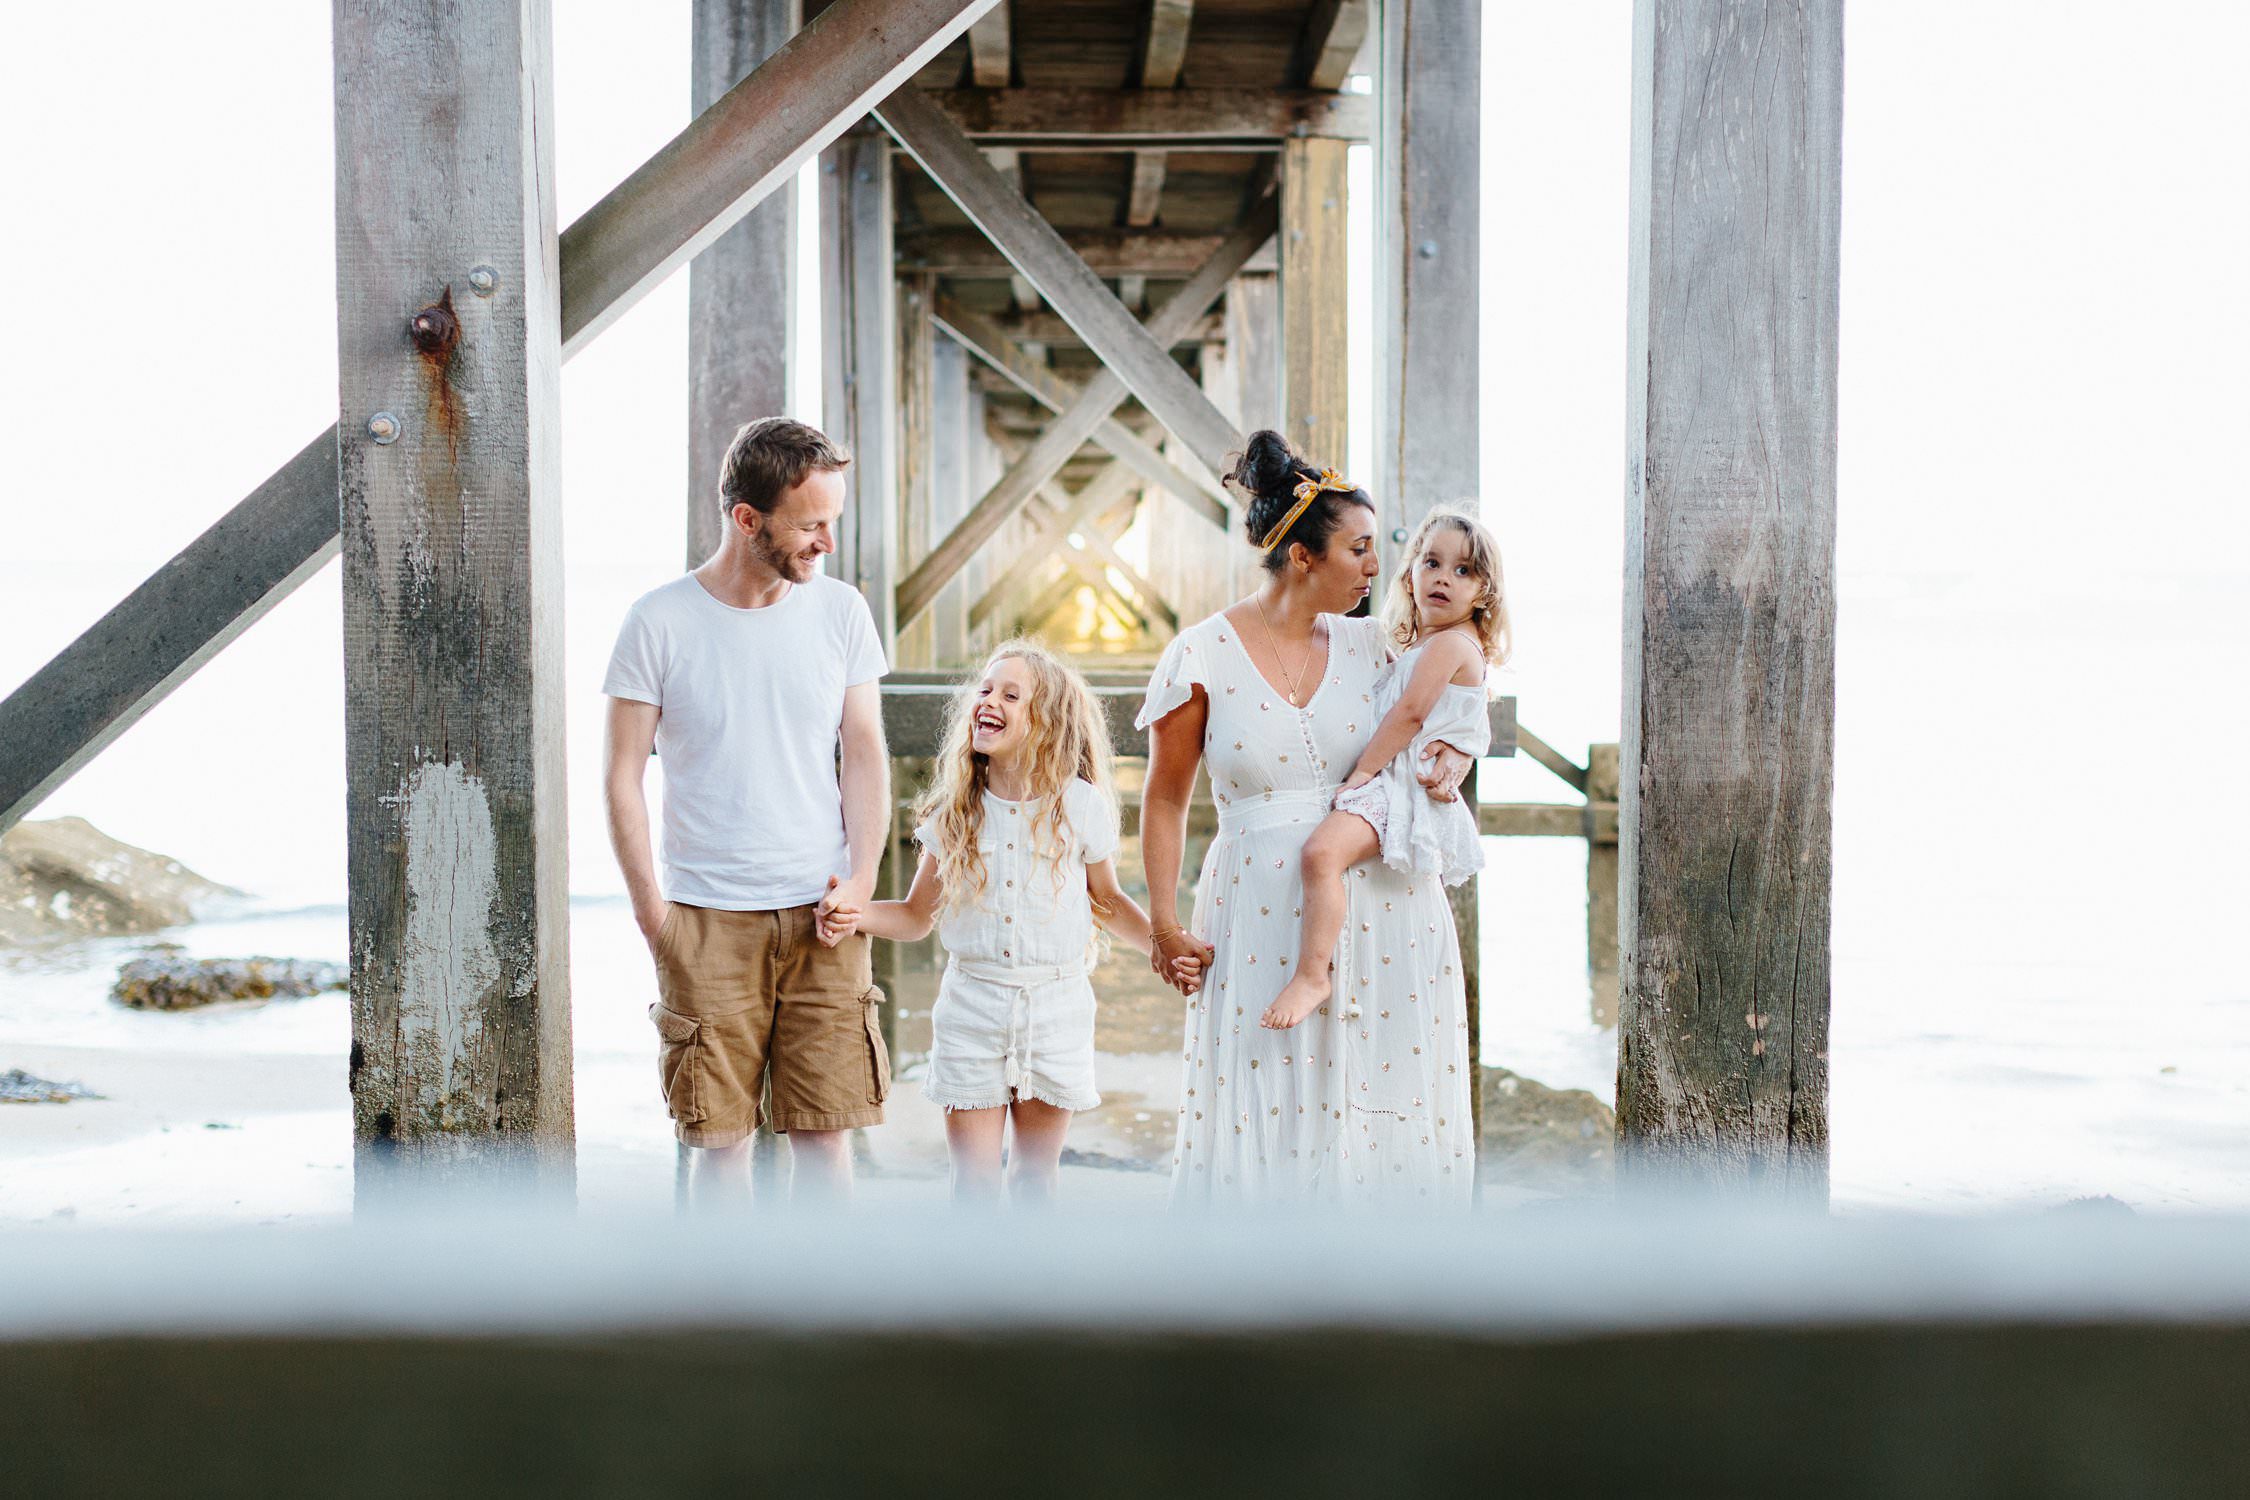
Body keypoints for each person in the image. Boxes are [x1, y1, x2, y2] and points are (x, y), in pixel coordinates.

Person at [1137, 430, 1478, 1206]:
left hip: (1389, 907)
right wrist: (1162, 922)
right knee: (1266, 1098)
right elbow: (1165, 798)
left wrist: (1457, 754)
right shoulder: (1201, 655)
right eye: (1359, 549)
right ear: (1303, 558)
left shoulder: (1382, 646)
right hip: (1255, 910)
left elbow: (1460, 685)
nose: (1376, 567)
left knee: (1385, 1102)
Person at [602, 417, 891, 1206]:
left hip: (824, 915)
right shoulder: (657, 620)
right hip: (704, 920)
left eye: (833, 521)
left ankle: (819, 1320)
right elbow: (622, 776)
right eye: (810, 526)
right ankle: (716, 1324)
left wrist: (861, 881)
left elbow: (862, 751)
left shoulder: (841, 614)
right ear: (747, 518)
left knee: (827, 1137)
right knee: (719, 1144)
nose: (827, 542)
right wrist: (652, 917)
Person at [820, 642, 1199, 1204]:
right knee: (972, 1182)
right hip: (972, 1007)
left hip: (1056, 1008)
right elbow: (914, 917)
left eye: (1010, 694)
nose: (988, 701)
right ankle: (976, 1291)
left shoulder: (1081, 806)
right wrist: (854, 914)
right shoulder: (955, 813)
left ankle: (1030, 1290)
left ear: (1045, 723)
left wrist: (1166, 944)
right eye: (985, 690)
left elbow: (1108, 901)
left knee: (1033, 1177)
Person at [1262, 507, 1511, 1030]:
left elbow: (1411, 714)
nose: (1444, 577)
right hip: (1395, 781)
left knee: (1320, 853)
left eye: (1464, 571)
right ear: (1410, 573)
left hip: (1399, 788)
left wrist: (1361, 774)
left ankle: (1312, 974)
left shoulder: (1448, 644)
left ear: (1484, 592)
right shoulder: (1423, 643)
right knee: (1320, 857)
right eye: (1431, 562)